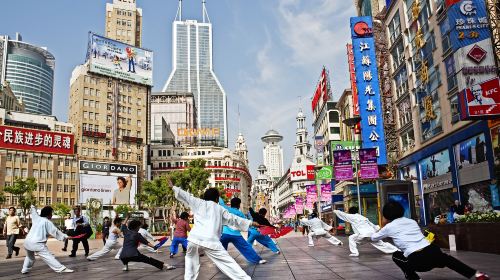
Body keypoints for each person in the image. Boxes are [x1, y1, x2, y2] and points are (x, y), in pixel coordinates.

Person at [371, 201, 490, 280]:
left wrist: (384, 224)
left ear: (386, 215)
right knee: (449, 260)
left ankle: (414, 279)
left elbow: (373, 238)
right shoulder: (412, 221)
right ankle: (477, 274)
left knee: (396, 256)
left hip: (417, 260)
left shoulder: (388, 227)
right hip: (433, 251)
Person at [170, 180, 260, 280]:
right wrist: (251, 223)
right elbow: (234, 219)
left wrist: (173, 187)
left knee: (190, 264)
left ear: (205, 197)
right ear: (217, 199)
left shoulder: (198, 202)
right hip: (211, 241)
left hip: (194, 240)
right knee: (229, 264)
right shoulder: (219, 209)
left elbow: (186, 196)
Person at [22, 205, 75, 274]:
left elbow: (33, 211)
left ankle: (25, 269)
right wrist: (66, 236)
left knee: (30, 257)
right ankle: (60, 269)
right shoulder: (47, 222)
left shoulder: (36, 218)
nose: (52, 215)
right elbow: (56, 232)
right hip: (37, 244)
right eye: (51, 213)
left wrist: (32, 206)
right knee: (48, 256)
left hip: (27, 242)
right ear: (48, 214)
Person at [333, 207, 398, 257]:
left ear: (350, 212)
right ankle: (396, 250)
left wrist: (335, 210)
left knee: (351, 238)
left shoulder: (351, 216)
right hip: (372, 234)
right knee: (381, 244)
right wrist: (377, 229)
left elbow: (342, 214)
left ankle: (355, 252)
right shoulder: (363, 217)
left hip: (363, 235)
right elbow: (372, 225)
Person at [219, 197, 267, 265]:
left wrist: (218, 196)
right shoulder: (240, 213)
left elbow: (221, 203)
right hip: (236, 235)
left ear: (231, 204)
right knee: (246, 247)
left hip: (225, 233)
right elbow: (246, 222)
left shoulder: (226, 209)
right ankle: (258, 260)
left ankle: (220, 261)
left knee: (221, 249)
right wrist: (256, 227)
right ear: (239, 205)